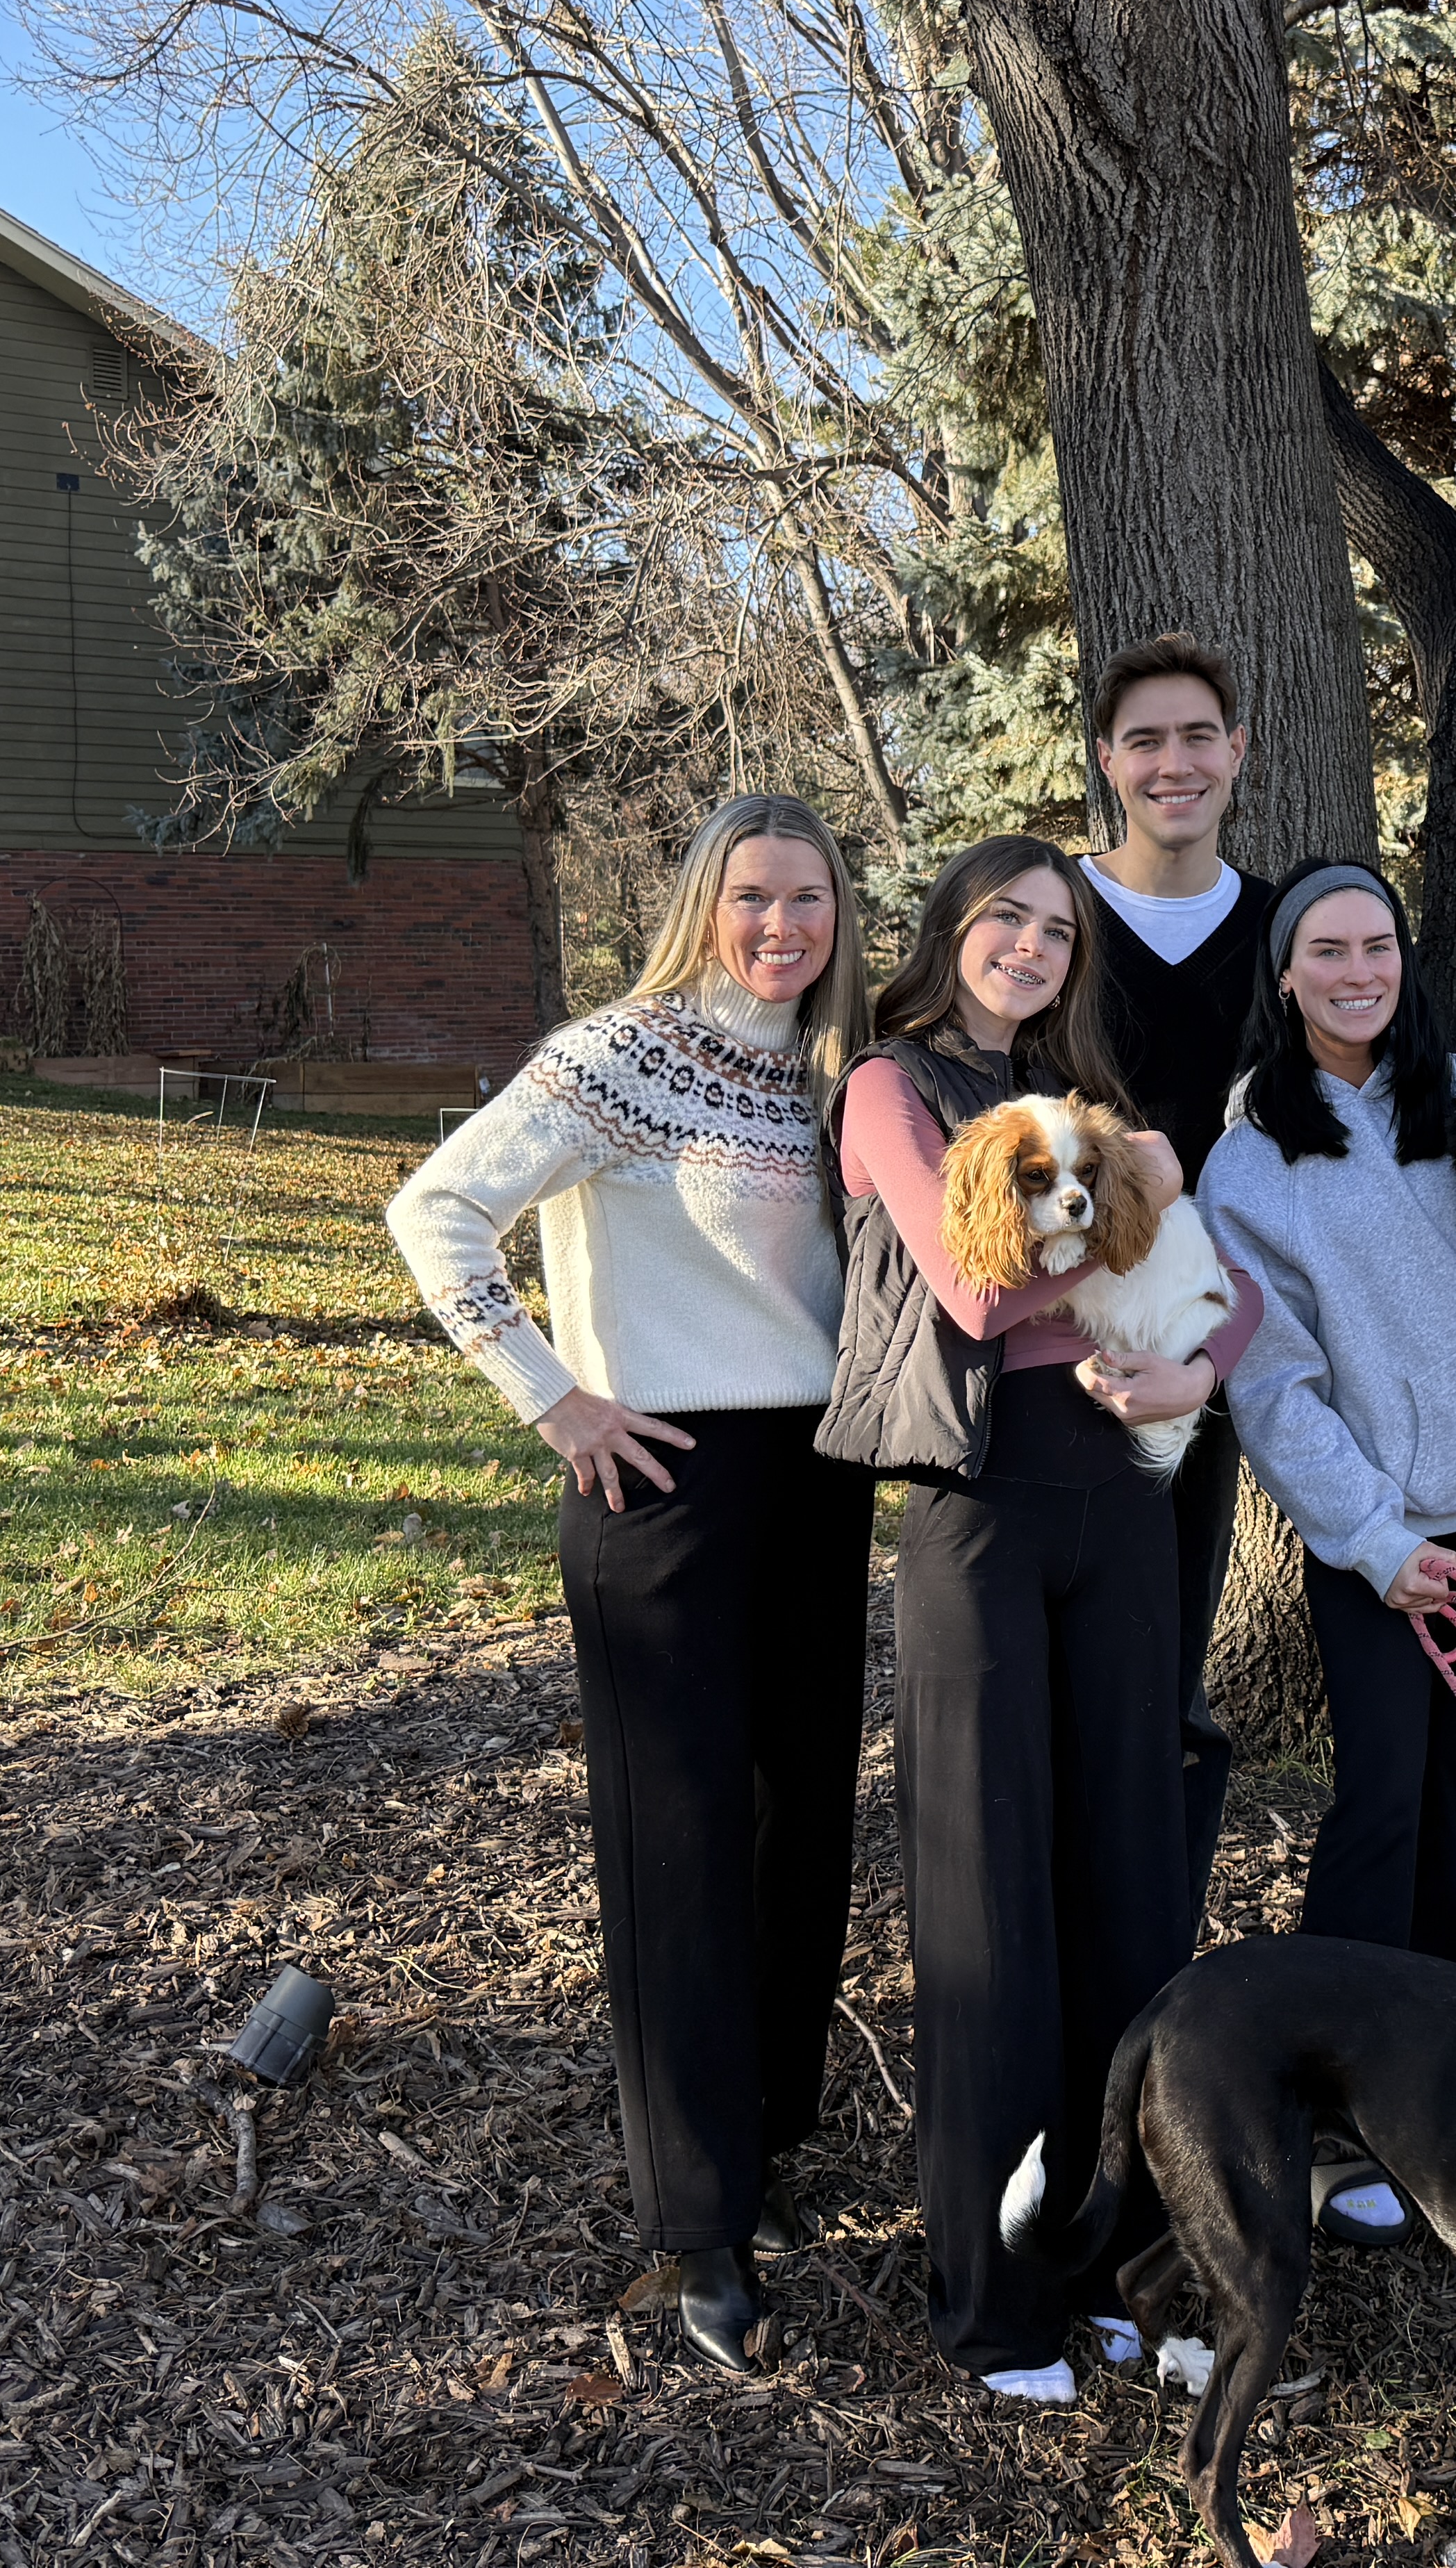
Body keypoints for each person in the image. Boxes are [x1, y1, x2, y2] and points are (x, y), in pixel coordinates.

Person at [383, 793, 876, 2378]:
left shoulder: (841, 1067)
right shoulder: (622, 1053)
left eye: (809, 897)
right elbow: (436, 1208)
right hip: (661, 1479)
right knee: (680, 1849)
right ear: (703, 903)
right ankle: (692, 2224)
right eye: (753, 895)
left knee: (799, 1826)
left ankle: (767, 2142)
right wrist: (553, 1397)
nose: (782, 926)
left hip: (821, 1475)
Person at [816, 836, 1264, 2403]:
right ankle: (996, 2302)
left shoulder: (1077, 1100)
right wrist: (1139, 1203)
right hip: (984, 1514)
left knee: (1127, 1892)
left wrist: (1195, 1367)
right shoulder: (891, 1088)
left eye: (1058, 930)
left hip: (1125, 1511)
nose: (1029, 946)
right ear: (951, 928)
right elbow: (974, 1288)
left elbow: (1234, 1296)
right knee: (991, 1907)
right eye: (1004, 918)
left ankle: (1120, 2265)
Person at [1198, 859, 1456, 2237]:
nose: (1358, 973)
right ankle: (1334, 2107)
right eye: (1328, 951)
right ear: (1286, 976)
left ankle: (1445, 2076)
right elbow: (1271, 1384)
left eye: (1378, 946)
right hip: (1377, 1537)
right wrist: (1372, 1537)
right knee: (1382, 1803)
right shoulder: (1251, 1159)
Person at [1074, 634, 1270, 1927]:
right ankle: (1053, 1954)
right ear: (1108, 760)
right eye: (1144, 740)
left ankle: (1155, 1954)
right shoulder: (1054, 914)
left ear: (1237, 751)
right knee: (1062, 1672)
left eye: (1198, 736)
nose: (1174, 763)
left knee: (1172, 1669)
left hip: (1207, 1348)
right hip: (1051, 1345)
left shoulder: (1280, 928)